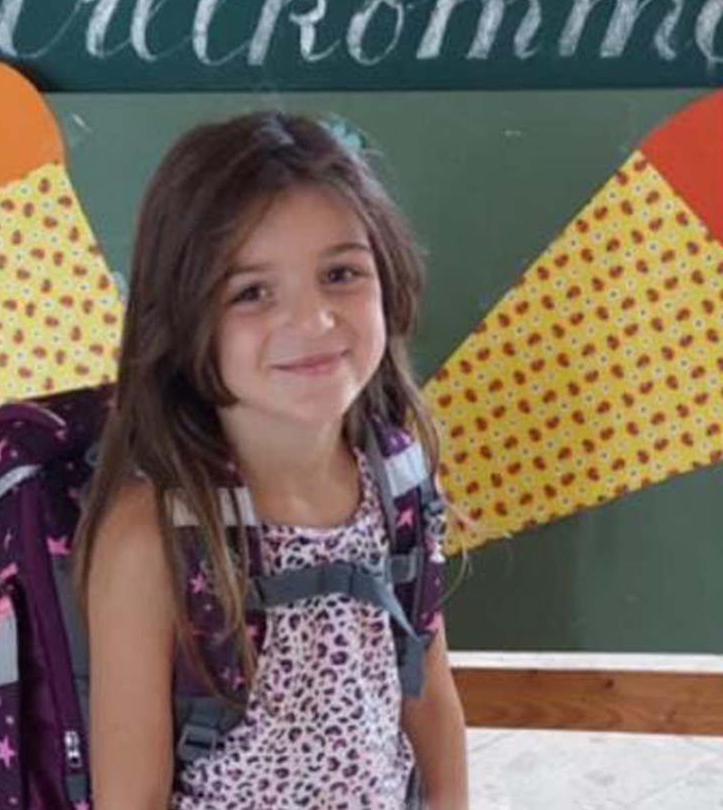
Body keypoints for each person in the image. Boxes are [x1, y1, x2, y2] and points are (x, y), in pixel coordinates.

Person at [70, 110, 469, 810]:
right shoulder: (152, 539)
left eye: (341, 272)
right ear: (185, 316)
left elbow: (428, 696)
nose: (312, 321)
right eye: (252, 291)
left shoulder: (395, 482)